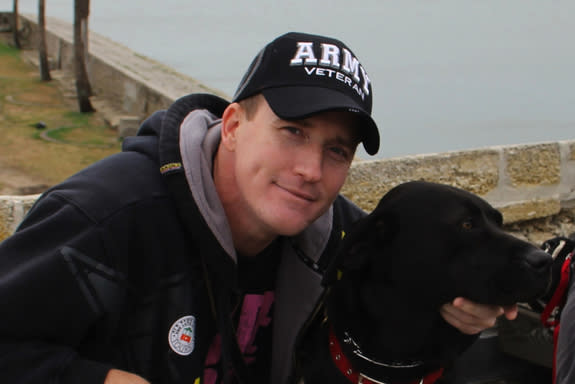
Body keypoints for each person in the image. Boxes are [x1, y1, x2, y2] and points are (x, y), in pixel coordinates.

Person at [0, 31, 517, 384]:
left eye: (336, 150)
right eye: (293, 132)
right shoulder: (110, 215)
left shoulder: (341, 239)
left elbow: (412, 287)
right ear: (232, 126)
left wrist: (462, 314)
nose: (311, 170)